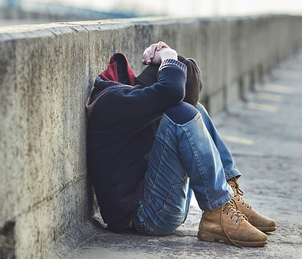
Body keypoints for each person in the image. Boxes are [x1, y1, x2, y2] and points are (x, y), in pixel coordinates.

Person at [86, 41, 276, 247]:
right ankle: (216, 214)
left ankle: (227, 198)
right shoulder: (115, 101)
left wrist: (172, 60)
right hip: (145, 216)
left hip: (161, 204)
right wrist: (169, 55)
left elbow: (183, 93)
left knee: (196, 111)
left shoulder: (136, 95)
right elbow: (172, 91)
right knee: (182, 114)